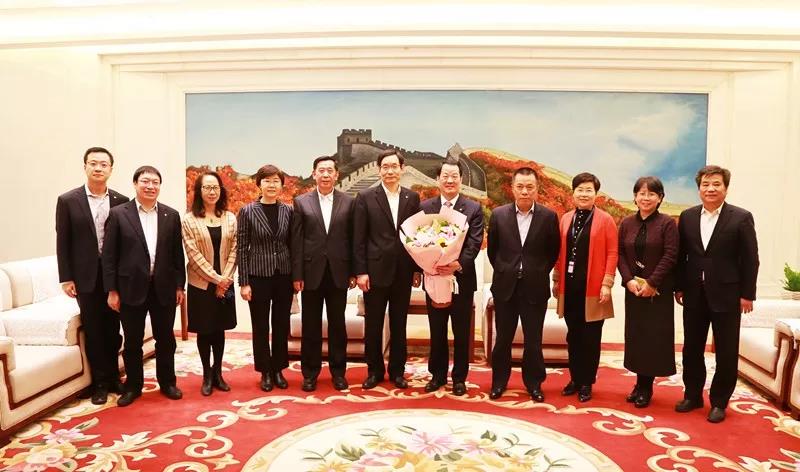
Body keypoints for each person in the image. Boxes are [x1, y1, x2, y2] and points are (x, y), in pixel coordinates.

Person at [674, 165, 759, 423]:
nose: (710, 189)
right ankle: (692, 395)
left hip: (728, 295)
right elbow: (681, 255)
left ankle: (719, 401)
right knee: (691, 348)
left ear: (725, 188)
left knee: (726, 351)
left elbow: (750, 259)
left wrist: (747, 294)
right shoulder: (687, 216)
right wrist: (679, 286)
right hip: (694, 293)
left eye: (716, 184)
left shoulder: (741, 217)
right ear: (699, 188)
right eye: (705, 184)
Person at [102, 165, 185, 407]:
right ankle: (133, 386)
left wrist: (179, 286)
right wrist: (112, 290)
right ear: (135, 184)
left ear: (160, 186)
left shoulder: (171, 215)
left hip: (164, 288)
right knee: (132, 342)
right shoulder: (119, 214)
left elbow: (177, 254)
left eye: (155, 182)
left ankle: (168, 382)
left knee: (165, 339)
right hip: (130, 288)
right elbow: (109, 256)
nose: (150, 186)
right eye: (145, 181)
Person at [56, 147, 128, 405]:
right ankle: (99, 383)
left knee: (113, 328)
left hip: (114, 276)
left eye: (103, 164)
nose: (98, 168)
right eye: (93, 163)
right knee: (94, 329)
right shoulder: (68, 200)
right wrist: (67, 277)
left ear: (111, 169)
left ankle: (114, 377)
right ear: (85, 166)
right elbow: (63, 241)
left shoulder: (121, 200)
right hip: (85, 276)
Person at [487, 167, 560, 401]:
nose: (525, 191)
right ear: (512, 188)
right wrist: (506, 269)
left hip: (534, 287)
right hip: (505, 287)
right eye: (520, 186)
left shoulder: (548, 217)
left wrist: (536, 271)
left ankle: (534, 384)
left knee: (533, 341)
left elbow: (553, 251)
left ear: (537, 189)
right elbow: (493, 251)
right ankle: (499, 382)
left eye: (530, 187)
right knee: (503, 339)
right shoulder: (498, 215)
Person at [353, 150, 422, 390]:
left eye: (394, 166)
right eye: (385, 167)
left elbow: (417, 236)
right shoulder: (365, 197)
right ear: (379, 169)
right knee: (373, 325)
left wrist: (416, 270)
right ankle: (374, 371)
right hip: (374, 272)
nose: (390, 171)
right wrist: (361, 271)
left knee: (399, 324)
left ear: (402, 169)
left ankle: (397, 372)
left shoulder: (412, 198)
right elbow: (359, 238)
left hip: (403, 271)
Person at [420, 158, 484, 396]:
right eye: (445, 176)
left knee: (461, 331)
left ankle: (459, 378)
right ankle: (437, 375)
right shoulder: (425, 207)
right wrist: (428, 263)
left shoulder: (473, 208)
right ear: (438, 179)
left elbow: (474, 241)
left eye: (454, 176)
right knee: (436, 330)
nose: (449, 180)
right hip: (434, 278)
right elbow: (418, 239)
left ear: (461, 179)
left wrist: (458, 264)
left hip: (461, 279)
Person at [291, 156, 356, 392]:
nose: (326, 175)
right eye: (321, 170)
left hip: (339, 272)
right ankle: (310, 374)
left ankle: (338, 373)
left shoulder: (349, 202)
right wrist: (297, 275)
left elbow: (353, 239)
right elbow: (296, 241)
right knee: (310, 326)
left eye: (330, 170)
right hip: (311, 273)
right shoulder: (301, 202)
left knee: (338, 325)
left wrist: (353, 271)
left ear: (337, 175)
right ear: (314, 174)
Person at [553, 172, 618, 403]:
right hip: (570, 288)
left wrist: (607, 283)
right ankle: (574, 378)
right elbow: (559, 252)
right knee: (573, 336)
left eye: (588, 190)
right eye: (579, 189)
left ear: (595, 194)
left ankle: (586, 383)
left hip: (594, 289)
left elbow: (612, 253)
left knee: (590, 338)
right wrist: (556, 280)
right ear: (573, 193)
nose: (583, 194)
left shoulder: (606, 220)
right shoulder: (565, 218)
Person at [617, 176, 678, 408]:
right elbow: (620, 254)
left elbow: (671, 255)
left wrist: (652, 283)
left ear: (660, 198)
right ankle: (638, 383)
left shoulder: (667, 223)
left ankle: (646, 387)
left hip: (657, 292)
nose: (646, 198)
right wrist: (628, 280)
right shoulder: (626, 223)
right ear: (635, 197)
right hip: (634, 290)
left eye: (651, 194)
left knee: (653, 339)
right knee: (636, 337)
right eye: (641, 193)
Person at [237, 164, 294, 392]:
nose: (271, 185)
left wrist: (296, 276)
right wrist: (244, 282)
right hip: (258, 275)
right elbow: (242, 247)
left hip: (283, 275)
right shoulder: (248, 211)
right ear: (259, 184)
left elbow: (293, 244)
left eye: (276, 181)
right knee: (260, 326)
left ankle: (278, 368)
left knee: (281, 324)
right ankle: (265, 371)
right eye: (267, 181)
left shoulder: (288, 210)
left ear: (281, 185)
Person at [182, 171, 237, 396]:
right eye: (207, 187)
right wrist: (217, 279)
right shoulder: (189, 220)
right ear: (199, 191)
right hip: (201, 285)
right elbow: (193, 255)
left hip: (225, 283)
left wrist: (225, 279)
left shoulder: (230, 217)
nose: (212, 192)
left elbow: (235, 250)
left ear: (221, 191)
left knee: (219, 329)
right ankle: (206, 374)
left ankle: (218, 373)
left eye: (215, 187)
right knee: (205, 331)